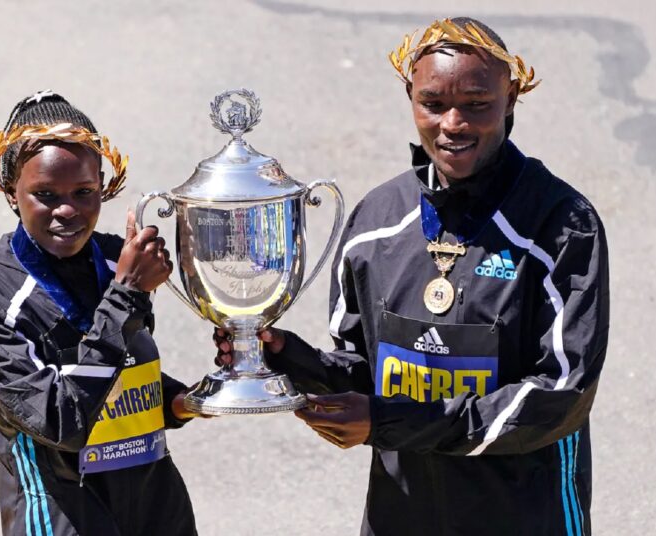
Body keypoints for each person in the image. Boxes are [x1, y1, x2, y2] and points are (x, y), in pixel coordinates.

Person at [215, 17, 609, 535]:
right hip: (400, 514)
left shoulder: (561, 225)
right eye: (433, 103)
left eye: (477, 104)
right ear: (410, 95)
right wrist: (283, 355)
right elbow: (362, 370)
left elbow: (560, 394)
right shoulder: (376, 221)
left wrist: (392, 422)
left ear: (511, 98)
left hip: (523, 516)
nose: (453, 123)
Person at [0, 90, 199, 535]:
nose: (67, 210)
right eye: (45, 194)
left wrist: (180, 404)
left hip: (156, 506)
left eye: (84, 192)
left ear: (104, 185)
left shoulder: (112, 258)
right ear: (12, 191)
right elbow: (61, 420)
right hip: (63, 515)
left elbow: (115, 374)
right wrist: (125, 295)